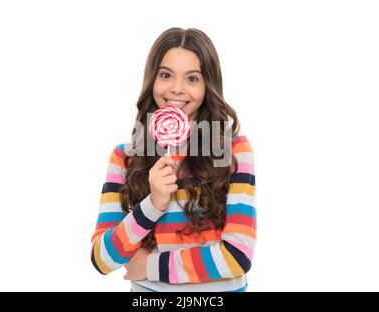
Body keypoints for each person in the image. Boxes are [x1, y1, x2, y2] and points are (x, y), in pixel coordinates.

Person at [90, 27, 256, 292]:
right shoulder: (125, 157)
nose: (177, 89)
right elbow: (102, 259)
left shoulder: (233, 150)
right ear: (151, 80)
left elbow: (238, 255)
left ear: (207, 86)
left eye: (192, 78)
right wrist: (152, 204)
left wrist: (149, 266)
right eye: (166, 75)